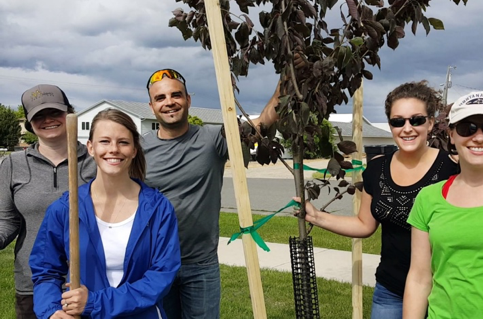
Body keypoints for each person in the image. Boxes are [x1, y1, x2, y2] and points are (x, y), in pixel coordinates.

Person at [296, 81, 459, 319]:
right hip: (390, 290)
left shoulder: (452, 169)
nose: (407, 128)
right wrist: (317, 216)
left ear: (430, 123)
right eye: (397, 121)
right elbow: (364, 224)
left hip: (442, 290)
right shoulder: (377, 169)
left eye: (416, 120)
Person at [143, 69, 279, 319]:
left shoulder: (213, 138)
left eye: (176, 95)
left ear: (188, 100)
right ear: (151, 106)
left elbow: (260, 125)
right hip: (155, 264)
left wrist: (284, 86)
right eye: (160, 98)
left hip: (200, 264)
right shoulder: (140, 149)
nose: (169, 102)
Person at [29, 109, 181, 319]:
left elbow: (161, 276)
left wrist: (94, 302)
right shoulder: (65, 208)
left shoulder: (158, 208)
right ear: (90, 147)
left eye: (123, 142)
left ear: (135, 149)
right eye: (105, 141)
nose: (114, 149)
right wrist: (51, 311)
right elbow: (45, 271)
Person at [404, 92, 483, 318]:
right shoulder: (428, 198)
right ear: (451, 135)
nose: (479, 137)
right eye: (467, 128)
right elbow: (419, 278)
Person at [0, 84, 96, 319]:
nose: (48, 120)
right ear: (31, 124)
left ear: (69, 113)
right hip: (33, 284)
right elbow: (7, 221)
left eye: (55, 112)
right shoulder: (13, 164)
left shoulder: (96, 160)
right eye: (39, 116)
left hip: (88, 283)